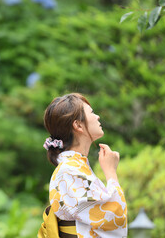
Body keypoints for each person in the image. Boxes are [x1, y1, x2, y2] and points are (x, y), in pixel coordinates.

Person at [38, 93, 127, 238]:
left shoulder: (73, 168)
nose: (97, 117)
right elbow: (114, 216)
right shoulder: (69, 170)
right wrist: (111, 172)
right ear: (78, 125)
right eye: (92, 112)